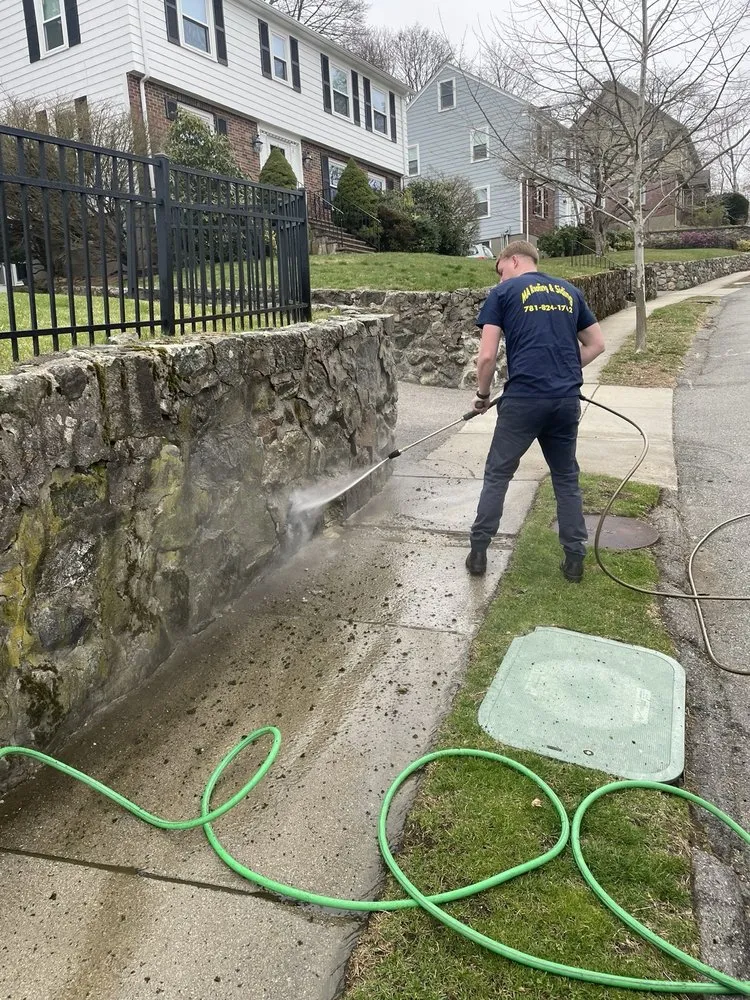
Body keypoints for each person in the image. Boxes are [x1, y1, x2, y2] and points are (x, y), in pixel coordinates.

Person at [466, 240, 605, 582]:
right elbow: (597, 344)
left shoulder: (503, 294)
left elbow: (486, 357)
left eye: (500, 272)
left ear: (513, 260)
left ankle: (479, 553)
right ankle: (574, 560)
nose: (500, 280)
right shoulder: (569, 291)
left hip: (523, 402)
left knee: (498, 474)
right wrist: (566, 374)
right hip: (564, 401)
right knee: (566, 478)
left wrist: (483, 396)